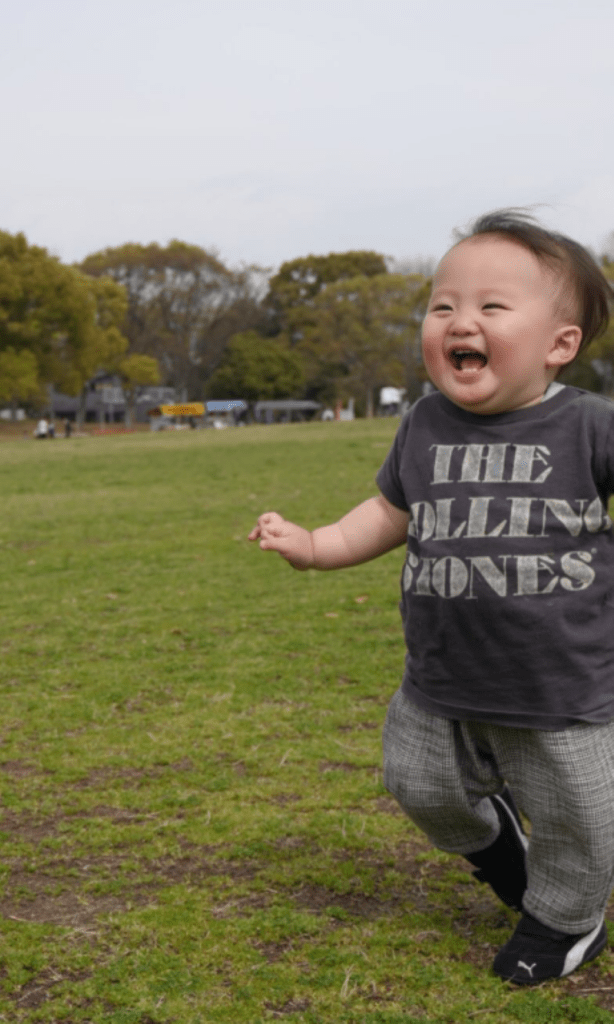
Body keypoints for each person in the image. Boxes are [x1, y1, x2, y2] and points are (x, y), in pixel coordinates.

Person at [249, 209, 614, 985]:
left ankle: (567, 919)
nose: (459, 321)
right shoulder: (423, 425)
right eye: (443, 305)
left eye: (491, 307)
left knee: (578, 820)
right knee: (419, 785)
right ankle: (502, 851)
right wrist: (315, 546)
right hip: (441, 679)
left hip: (561, 685)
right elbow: (388, 512)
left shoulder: (588, 426)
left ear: (559, 345)